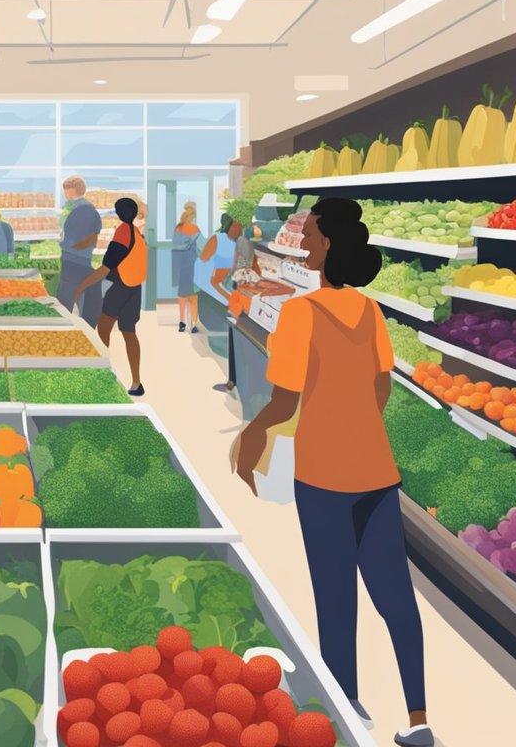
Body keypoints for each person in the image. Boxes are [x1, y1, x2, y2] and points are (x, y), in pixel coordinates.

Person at [234, 198, 433, 747]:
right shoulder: (368, 311)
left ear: (326, 247)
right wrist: (358, 424)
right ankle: (419, 720)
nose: (303, 243)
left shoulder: (302, 313)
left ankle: (346, 707)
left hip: (321, 474)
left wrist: (253, 434)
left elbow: (284, 399)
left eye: (312, 236)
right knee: (396, 595)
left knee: (335, 593)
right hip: (375, 468)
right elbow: (382, 386)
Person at [75, 197, 148, 397]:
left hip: (121, 286)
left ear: (119, 213)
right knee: (129, 332)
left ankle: (103, 374)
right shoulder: (137, 233)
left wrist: (82, 285)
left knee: (104, 327)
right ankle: (136, 382)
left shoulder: (123, 232)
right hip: (135, 288)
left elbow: (106, 268)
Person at [202, 213, 251, 395]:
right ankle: (233, 381)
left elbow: (241, 270)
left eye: (233, 227)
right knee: (234, 336)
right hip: (238, 296)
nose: (231, 232)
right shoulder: (241, 242)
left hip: (241, 296)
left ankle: (234, 382)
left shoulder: (243, 243)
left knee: (237, 338)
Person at [58, 175, 103, 326]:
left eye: (66, 189)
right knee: (83, 296)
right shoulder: (90, 208)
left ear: (74, 190)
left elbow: (71, 236)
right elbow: (97, 228)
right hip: (85, 259)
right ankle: (87, 329)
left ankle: (62, 329)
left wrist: (62, 242)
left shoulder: (77, 209)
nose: (64, 193)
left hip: (72, 259)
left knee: (65, 298)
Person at [174, 201, 201, 333]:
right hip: (193, 264)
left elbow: (175, 246)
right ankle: (194, 325)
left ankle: (182, 323)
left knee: (182, 295)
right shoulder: (196, 230)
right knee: (194, 296)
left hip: (181, 264)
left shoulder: (178, 228)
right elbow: (201, 248)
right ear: (193, 216)